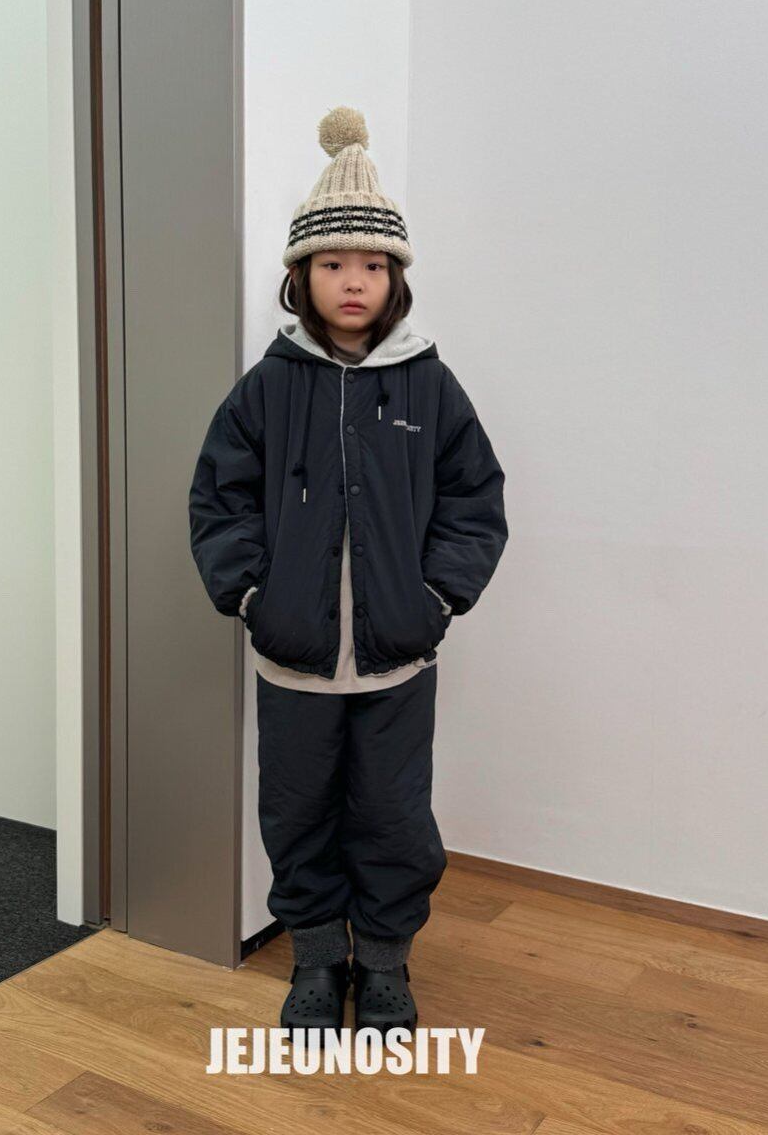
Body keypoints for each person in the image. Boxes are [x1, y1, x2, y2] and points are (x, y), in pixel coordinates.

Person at [188, 105, 508, 1035]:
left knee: (394, 818)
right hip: (292, 659)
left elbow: (474, 498)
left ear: (397, 278)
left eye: (372, 264)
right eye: (333, 264)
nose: (353, 280)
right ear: (302, 277)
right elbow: (219, 499)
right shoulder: (268, 387)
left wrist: (435, 597)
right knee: (298, 815)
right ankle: (318, 962)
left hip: (397, 661)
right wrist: (253, 595)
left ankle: (387, 966)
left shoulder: (429, 385)